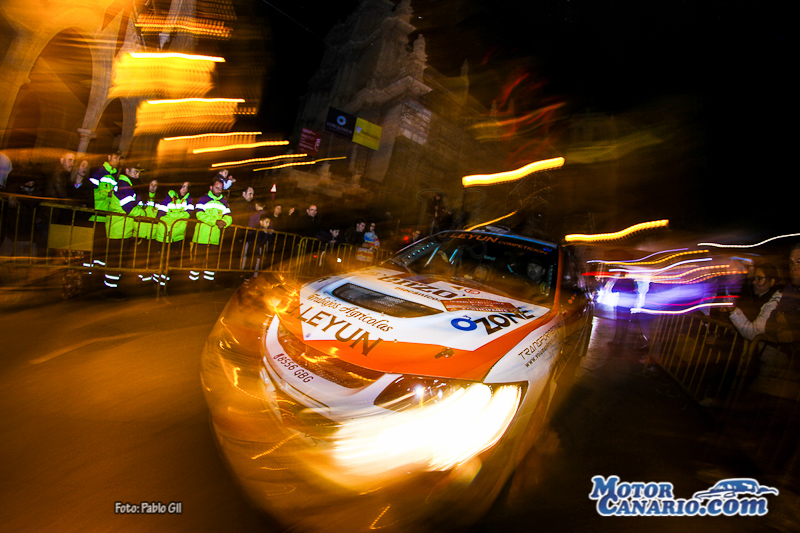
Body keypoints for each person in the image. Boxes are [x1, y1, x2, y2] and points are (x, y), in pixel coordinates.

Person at [101, 163, 141, 294]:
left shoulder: (126, 184)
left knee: (117, 261)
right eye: (135, 171)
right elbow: (130, 208)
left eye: (139, 172)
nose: (138, 174)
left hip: (121, 228)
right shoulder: (124, 185)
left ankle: (113, 287)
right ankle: (110, 290)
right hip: (119, 229)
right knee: (115, 261)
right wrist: (144, 213)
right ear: (127, 170)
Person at [724, 263, 782, 341]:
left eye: (759, 279)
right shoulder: (757, 298)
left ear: (772, 282)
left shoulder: (773, 303)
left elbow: (754, 334)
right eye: (754, 278)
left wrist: (734, 311)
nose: (754, 282)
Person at [190, 177, 232, 285]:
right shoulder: (203, 198)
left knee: (211, 263)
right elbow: (199, 214)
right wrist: (215, 221)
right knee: (197, 262)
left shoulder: (224, 202)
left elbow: (229, 216)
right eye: (217, 188)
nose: (219, 190)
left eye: (220, 188)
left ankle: (207, 285)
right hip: (201, 237)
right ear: (211, 187)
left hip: (214, 238)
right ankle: (193, 284)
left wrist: (225, 222)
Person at [766, 244, 800, 344]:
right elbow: (771, 322)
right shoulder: (791, 289)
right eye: (791, 263)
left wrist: (794, 333)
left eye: (799, 262)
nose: (793, 268)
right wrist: (781, 328)